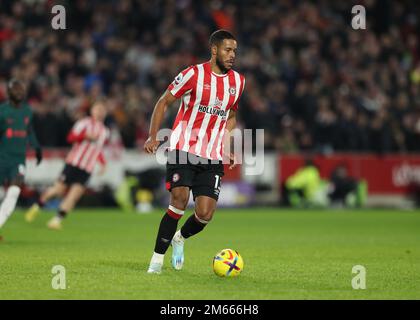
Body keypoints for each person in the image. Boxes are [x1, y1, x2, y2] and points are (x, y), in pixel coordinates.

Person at [144, 30, 245, 274]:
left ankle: (180, 239)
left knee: (204, 215)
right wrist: (153, 135)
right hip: (183, 148)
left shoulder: (238, 82)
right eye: (227, 50)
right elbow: (164, 101)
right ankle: (156, 260)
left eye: (234, 51)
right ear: (214, 50)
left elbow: (230, 114)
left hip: (211, 155)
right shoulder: (193, 74)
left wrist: (227, 145)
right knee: (178, 201)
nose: (232, 55)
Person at [24, 99, 109, 230]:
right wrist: (84, 136)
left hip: (87, 168)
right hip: (73, 163)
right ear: (92, 110)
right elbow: (70, 138)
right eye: (97, 109)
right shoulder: (83, 123)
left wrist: (103, 164)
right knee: (58, 190)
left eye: (102, 110)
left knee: (74, 195)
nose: (100, 112)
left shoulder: (104, 131)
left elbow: (97, 150)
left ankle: (56, 220)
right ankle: (37, 206)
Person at [0, 79, 43, 238]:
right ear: (8, 92)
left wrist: (37, 147)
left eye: (21, 89)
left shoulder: (27, 111)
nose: (19, 92)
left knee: (13, 193)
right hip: (2, 158)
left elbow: (29, 131)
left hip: (18, 160)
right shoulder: (2, 111)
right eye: (16, 89)